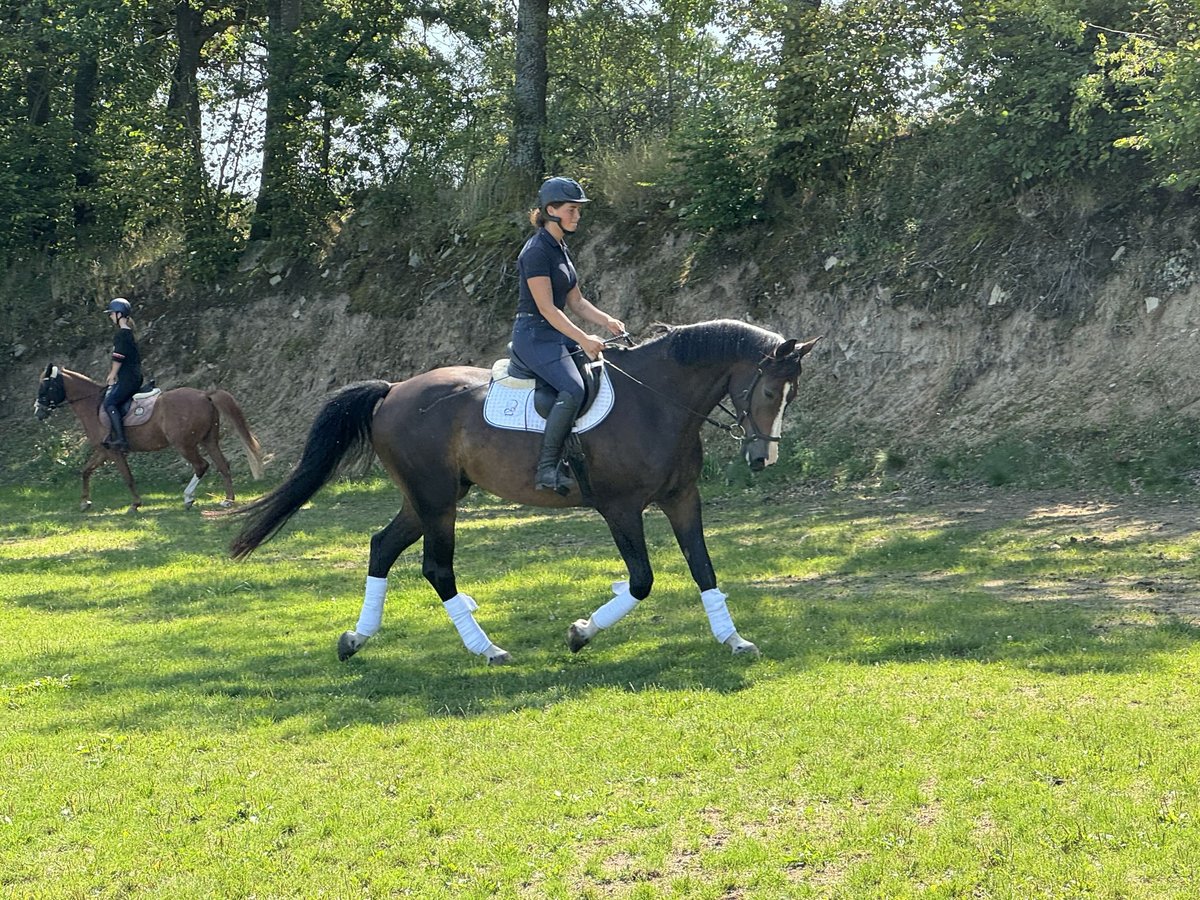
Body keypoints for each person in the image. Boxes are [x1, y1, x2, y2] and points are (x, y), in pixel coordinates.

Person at [512, 177, 625, 495]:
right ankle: (546, 469)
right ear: (551, 210)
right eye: (572, 209)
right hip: (534, 334)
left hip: (554, 334)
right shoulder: (535, 252)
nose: (578, 215)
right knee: (573, 389)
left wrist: (607, 321)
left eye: (578, 210)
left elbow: (575, 301)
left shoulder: (560, 247)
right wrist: (584, 339)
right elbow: (548, 309)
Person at [101, 297, 143, 451]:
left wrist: (112, 374)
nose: (111, 316)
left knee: (110, 403)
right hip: (134, 377)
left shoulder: (122, 334)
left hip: (128, 379)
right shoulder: (129, 333)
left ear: (119, 314)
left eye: (112, 314)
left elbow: (118, 357)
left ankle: (121, 439)